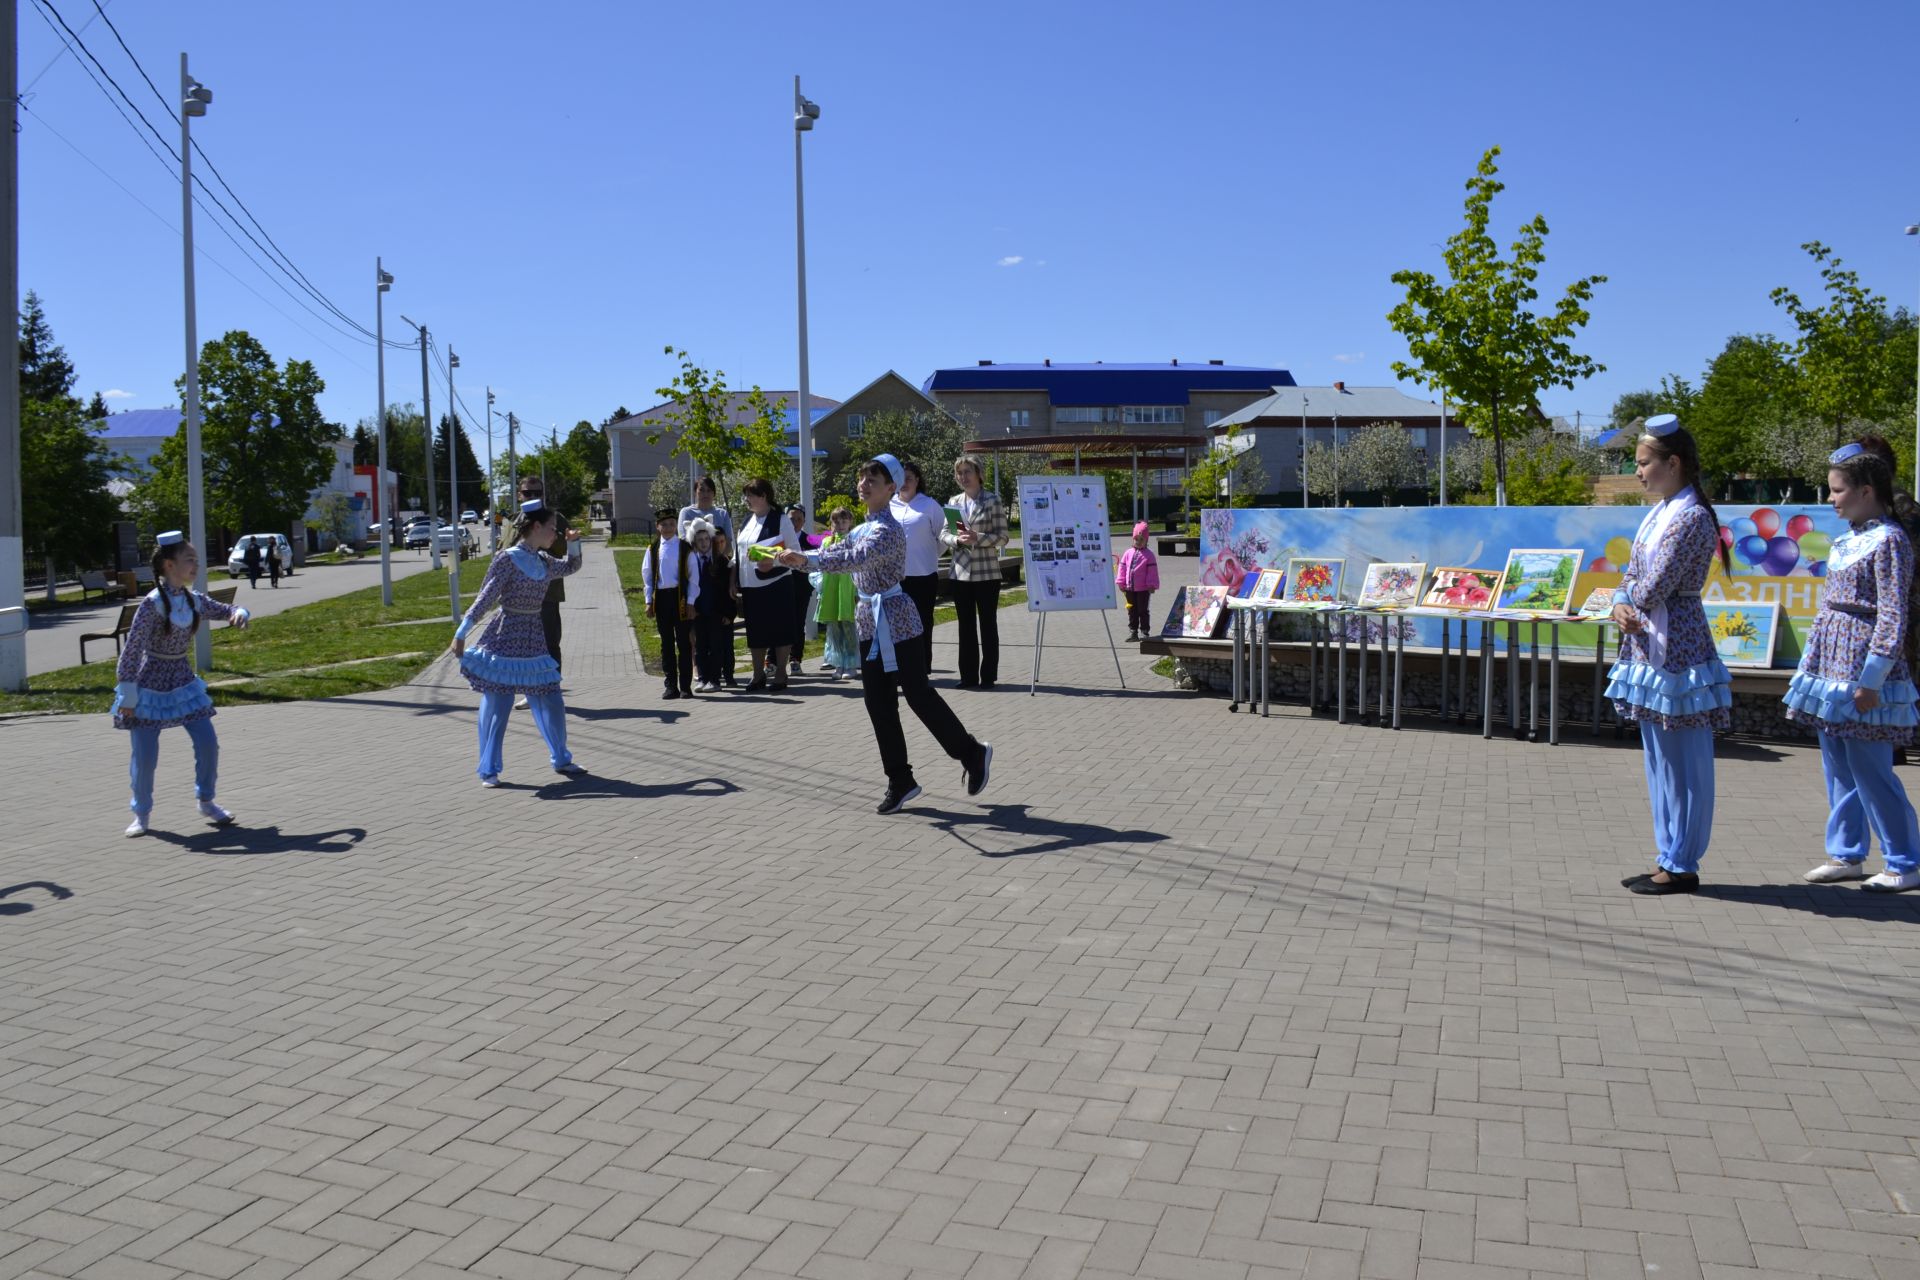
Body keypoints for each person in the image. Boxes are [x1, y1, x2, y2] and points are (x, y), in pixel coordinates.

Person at [778, 454, 992, 815]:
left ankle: (971, 752)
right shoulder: (863, 527)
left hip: (896, 620)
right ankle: (900, 778)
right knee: (877, 702)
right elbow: (840, 549)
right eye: (861, 479)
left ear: (891, 488)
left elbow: (854, 559)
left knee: (917, 695)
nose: (863, 485)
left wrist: (806, 562)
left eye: (872, 481)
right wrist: (794, 555)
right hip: (869, 622)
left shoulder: (887, 530)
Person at [1784, 440, 1920, 893]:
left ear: (1865, 490)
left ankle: (1905, 860)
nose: (1830, 499)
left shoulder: (1891, 540)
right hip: (1831, 664)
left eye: (1837, 490)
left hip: (1863, 669)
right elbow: (1829, 611)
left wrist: (1873, 678)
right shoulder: (1848, 540)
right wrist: (1813, 664)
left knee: (1872, 769)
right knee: (1837, 764)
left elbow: (1893, 613)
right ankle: (1847, 853)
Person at [1606, 415, 1733, 896]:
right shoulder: (1661, 512)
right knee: (1658, 756)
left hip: (1677, 643)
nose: (1638, 472)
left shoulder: (1691, 516)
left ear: (1672, 463)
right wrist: (1621, 600)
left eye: (1644, 463)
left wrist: (1627, 597)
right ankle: (1668, 854)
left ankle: (1683, 861)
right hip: (1650, 638)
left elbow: (1655, 583)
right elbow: (1633, 574)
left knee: (1683, 758)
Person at [113, 531, 252, 837]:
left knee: (207, 742)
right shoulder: (151, 605)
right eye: (189, 560)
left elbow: (225, 610)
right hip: (149, 685)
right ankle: (142, 813)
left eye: (197, 561)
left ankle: (206, 799)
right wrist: (128, 695)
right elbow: (132, 651)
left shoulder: (192, 599)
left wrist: (240, 612)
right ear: (168, 565)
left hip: (183, 681)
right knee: (146, 757)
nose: (195, 566)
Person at [451, 498, 588, 786]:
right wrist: (462, 630)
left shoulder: (543, 560)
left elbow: (572, 566)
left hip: (534, 636)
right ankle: (489, 769)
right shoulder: (507, 559)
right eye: (552, 528)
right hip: (506, 635)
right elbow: (485, 598)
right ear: (536, 527)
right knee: (499, 701)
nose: (556, 534)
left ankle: (561, 758)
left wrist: (574, 544)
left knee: (551, 698)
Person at [940, 457, 1009, 687]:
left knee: (988, 625)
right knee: (965, 626)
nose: (963, 477)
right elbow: (944, 534)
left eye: (967, 472)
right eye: (959, 473)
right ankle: (967, 677)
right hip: (960, 574)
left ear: (979, 473)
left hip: (987, 574)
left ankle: (988, 676)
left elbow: (1003, 537)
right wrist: (957, 540)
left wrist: (977, 538)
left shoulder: (992, 500)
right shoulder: (954, 502)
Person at [735, 477, 800, 691]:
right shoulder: (747, 520)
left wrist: (769, 559)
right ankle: (757, 675)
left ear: (763, 496)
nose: (746, 499)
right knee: (756, 631)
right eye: (746, 495)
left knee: (780, 629)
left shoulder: (780, 519)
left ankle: (780, 674)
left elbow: (794, 551)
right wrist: (732, 580)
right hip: (750, 585)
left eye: (750, 495)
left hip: (776, 583)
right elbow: (740, 553)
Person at [512, 476, 569, 710]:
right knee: (524, 645)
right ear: (520, 495)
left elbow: (561, 549)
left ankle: (551, 690)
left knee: (549, 642)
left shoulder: (555, 519)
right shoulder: (514, 521)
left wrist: (545, 528)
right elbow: (504, 551)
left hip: (546, 592)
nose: (533, 497)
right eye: (528, 493)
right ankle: (531, 691)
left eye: (537, 493)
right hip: (518, 596)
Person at [642, 507, 698, 699]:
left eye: (671, 524)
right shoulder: (653, 549)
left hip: (680, 598)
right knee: (666, 644)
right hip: (663, 600)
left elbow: (693, 577)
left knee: (683, 643)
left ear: (676, 526)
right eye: (664, 524)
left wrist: (691, 602)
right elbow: (648, 577)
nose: (668, 528)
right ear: (658, 527)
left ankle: (685, 686)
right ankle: (670, 685)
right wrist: (649, 601)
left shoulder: (685, 548)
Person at [893, 460, 946, 646]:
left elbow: (944, 537)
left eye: (909, 478)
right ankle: (900, 669)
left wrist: (930, 555)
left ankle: (923, 668)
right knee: (898, 624)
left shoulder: (930, 505)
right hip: (896, 577)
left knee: (923, 622)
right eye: (901, 478)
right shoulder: (888, 505)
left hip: (924, 576)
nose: (905, 483)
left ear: (917, 480)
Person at [816, 506, 859, 677]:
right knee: (833, 628)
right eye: (836, 521)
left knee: (848, 626)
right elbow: (819, 566)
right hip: (831, 588)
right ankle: (838, 663)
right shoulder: (827, 542)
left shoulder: (854, 540)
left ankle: (851, 664)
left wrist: (858, 592)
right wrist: (820, 589)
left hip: (848, 587)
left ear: (850, 522)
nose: (840, 524)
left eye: (844, 520)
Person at [688, 519, 730, 692]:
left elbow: (726, 590)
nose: (704, 543)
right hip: (698, 612)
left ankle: (714, 680)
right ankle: (702, 678)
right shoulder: (692, 562)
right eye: (700, 540)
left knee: (715, 646)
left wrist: (727, 612)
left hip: (715, 611)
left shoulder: (720, 561)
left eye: (706, 539)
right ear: (694, 543)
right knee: (700, 646)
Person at [1115, 522, 1161, 642]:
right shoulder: (1128, 553)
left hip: (1143, 589)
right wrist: (1121, 582)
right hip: (1129, 588)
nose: (1138, 541)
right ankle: (1133, 631)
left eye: (1141, 539)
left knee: (1143, 610)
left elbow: (1152, 571)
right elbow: (1122, 568)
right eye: (1136, 539)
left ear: (1146, 540)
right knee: (1132, 610)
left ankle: (1145, 631)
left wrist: (1151, 585)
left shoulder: (1149, 555)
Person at [788, 503, 817, 675]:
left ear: (804, 521)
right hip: (781, 588)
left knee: (798, 624)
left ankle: (795, 660)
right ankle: (772, 661)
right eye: (792, 519)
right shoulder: (780, 539)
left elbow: (814, 563)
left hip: (801, 588)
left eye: (799, 519)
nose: (795, 522)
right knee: (780, 623)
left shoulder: (809, 541)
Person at [711, 528, 740, 687]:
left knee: (728, 648)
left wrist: (729, 615)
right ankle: (714, 677)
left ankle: (729, 675)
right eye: (716, 542)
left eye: (722, 541)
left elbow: (732, 594)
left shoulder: (729, 564)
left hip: (726, 615)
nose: (719, 545)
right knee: (714, 648)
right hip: (712, 614)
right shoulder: (707, 564)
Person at [679, 475, 734, 543]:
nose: (705, 494)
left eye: (709, 490)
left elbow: (728, 542)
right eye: (702, 490)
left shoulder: (723, 514)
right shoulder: (686, 512)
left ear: (714, 493)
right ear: (695, 492)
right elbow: (683, 540)